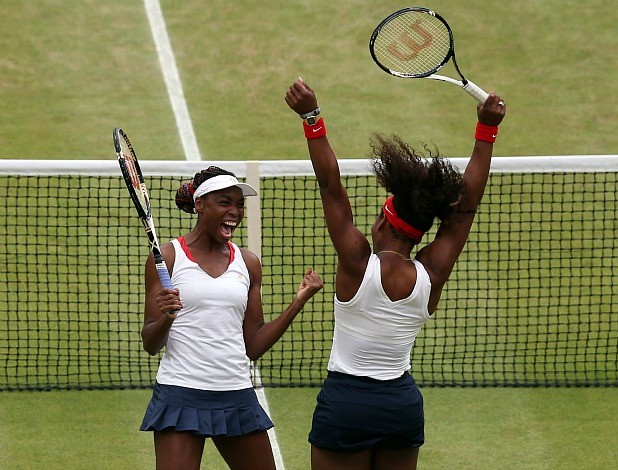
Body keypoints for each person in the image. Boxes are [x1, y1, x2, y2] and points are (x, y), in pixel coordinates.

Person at [285, 78, 505, 469]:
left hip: (347, 405)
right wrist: (487, 129)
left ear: (385, 225)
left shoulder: (357, 263)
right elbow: (466, 207)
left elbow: (330, 185)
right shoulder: (430, 274)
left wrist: (311, 117)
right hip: (400, 407)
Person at [139, 166, 324, 470]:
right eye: (225, 202)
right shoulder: (170, 258)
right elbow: (150, 342)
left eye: (239, 204)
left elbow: (253, 345)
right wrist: (167, 318)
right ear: (200, 204)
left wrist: (297, 303)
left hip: (235, 393)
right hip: (180, 393)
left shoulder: (248, 263)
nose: (235, 212)